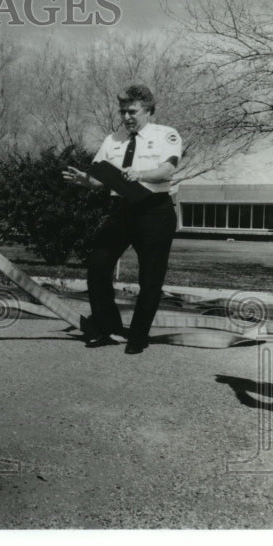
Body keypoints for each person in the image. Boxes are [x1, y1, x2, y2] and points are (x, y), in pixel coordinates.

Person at [61, 85, 181, 354]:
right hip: (122, 209)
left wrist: (142, 174)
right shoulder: (112, 139)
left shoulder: (166, 135)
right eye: (123, 111)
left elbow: (168, 169)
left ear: (148, 110)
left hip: (155, 209)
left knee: (150, 276)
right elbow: (100, 178)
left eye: (133, 111)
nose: (127, 117)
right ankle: (107, 328)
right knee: (98, 263)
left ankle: (139, 335)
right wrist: (86, 181)